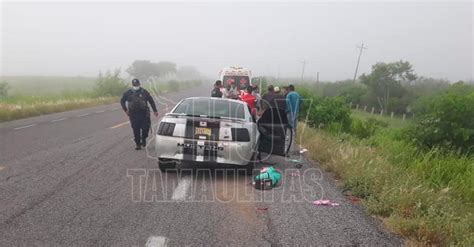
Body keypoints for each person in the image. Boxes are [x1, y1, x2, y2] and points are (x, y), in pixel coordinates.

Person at [120, 79, 158, 150]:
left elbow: (151, 101)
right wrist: (125, 110)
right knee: (135, 129)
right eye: (134, 85)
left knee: (145, 129)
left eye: (137, 84)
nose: (136, 86)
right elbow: (122, 101)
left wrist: (155, 110)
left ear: (139, 84)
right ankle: (138, 144)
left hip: (144, 114)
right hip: (133, 114)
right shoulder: (128, 93)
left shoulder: (144, 92)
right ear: (132, 85)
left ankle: (143, 138)